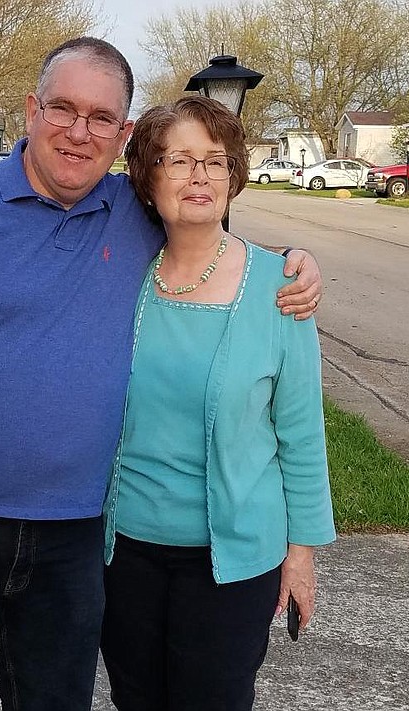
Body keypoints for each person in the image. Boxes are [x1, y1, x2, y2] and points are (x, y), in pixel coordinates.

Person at [0, 38, 322, 711]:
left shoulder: (134, 213)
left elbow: (209, 235)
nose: (79, 131)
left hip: (76, 534)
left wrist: (298, 262)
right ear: (30, 110)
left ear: (123, 133)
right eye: (62, 109)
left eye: (101, 117)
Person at [99, 96, 336, 711]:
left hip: (232, 561)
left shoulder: (280, 287)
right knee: (136, 698)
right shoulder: (120, 275)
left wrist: (301, 555)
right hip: (124, 552)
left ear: (234, 177)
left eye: (215, 160)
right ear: (148, 179)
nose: (199, 176)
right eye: (178, 160)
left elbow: (302, 432)